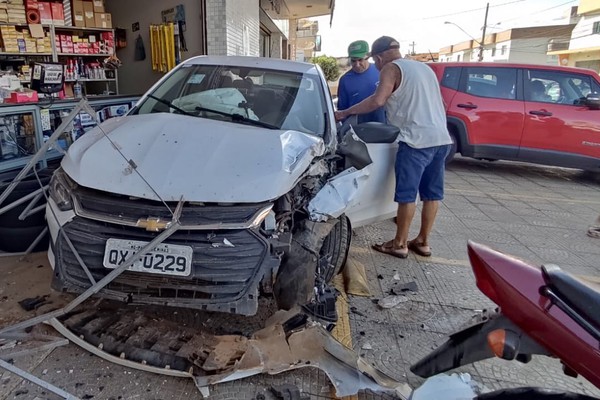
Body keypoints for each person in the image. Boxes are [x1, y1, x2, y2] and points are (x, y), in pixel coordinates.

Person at [335, 36, 452, 258]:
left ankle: (399, 244)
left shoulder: (391, 68)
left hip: (415, 141)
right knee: (432, 194)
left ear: (378, 57)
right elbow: (442, 104)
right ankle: (423, 242)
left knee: (407, 195)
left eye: (375, 62)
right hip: (441, 139)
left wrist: (346, 112)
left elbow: (378, 101)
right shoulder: (424, 68)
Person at [337, 40, 386, 124]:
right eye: (353, 61)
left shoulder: (382, 71)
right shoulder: (345, 80)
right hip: (358, 130)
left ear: (368, 56)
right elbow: (342, 111)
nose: (357, 64)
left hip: (384, 126)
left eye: (360, 60)